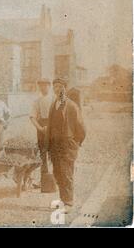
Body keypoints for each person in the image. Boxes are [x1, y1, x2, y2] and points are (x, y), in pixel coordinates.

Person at [46, 78, 86, 213]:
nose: (58, 89)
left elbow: (81, 128)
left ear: (65, 88)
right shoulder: (54, 104)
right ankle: (63, 200)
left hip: (67, 145)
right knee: (57, 173)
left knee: (67, 173)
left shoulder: (72, 106)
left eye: (60, 87)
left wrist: (75, 143)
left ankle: (68, 202)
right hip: (54, 145)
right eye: (55, 87)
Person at [29, 79, 53, 175]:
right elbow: (32, 117)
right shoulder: (37, 101)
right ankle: (44, 176)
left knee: (54, 151)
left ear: (49, 86)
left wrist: (51, 126)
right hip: (42, 126)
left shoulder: (54, 99)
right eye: (41, 86)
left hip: (54, 125)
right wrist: (40, 128)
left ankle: (55, 177)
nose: (43, 88)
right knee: (43, 152)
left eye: (45, 85)